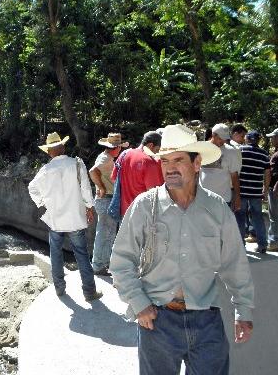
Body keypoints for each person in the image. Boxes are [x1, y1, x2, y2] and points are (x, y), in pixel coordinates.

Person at [109, 124, 254, 375]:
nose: (170, 167)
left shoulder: (217, 208)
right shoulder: (145, 206)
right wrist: (139, 302)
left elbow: (234, 263)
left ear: (196, 163)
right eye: (165, 161)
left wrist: (243, 309)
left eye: (178, 160)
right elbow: (121, 260)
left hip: (207, 320)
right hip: (158, 321)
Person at [28, 132, 103, 301]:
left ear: (49, 152)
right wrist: (90, 207)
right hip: (75, 219)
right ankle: (89, 292)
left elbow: (32, 188)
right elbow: (85, 188)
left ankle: (60, 290)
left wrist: (44, 203)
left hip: (55, 220)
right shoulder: (76, 164)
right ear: (63, 147)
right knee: (81, 254)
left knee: (55, 253)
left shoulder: (45, 170)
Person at [89, 133, 129, 276]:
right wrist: (101, 187)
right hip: (106, 198)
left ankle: (101, 264)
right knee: (105, 233)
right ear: (115, 148)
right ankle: (99, 265)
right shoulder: (106, 159)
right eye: (119, 147)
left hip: (106, 199)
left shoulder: (106, 157)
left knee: (107, 233)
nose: (120, 150)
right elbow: (92, 171)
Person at [111, 131, 163, 217]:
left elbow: (114, 178)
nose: (157, 153)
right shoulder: (149, 162)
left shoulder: (124, 154)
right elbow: (154, 194)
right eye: (157, 149)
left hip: (124, 213)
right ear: (150, 145)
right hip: (141, 215)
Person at [236, 130, 271, 253]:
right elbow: (267, 174)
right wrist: (265, 190)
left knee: (240, 217)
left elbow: (235, 170)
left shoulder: (240, 150)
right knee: (258, 217)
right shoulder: (264, 154)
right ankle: (262, 245)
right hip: (256, 192)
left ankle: (241, 245)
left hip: (241, 191)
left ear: (248, 139)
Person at [200, 123, 242, 211]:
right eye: (220, 138)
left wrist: (237, 196)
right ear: (213, 135)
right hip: (202, 198)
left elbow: (235, 176)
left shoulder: (231, 152)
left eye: (224, 138)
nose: (222, 141)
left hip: (223, 199)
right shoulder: (201, 148)